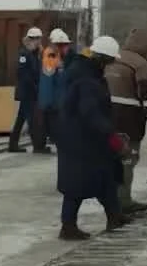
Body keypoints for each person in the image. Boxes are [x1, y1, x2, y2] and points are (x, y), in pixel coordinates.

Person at [56, 36, 131, 239]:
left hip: (85, 138)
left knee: (105, 178)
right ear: (101, 59)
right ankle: (68, 226)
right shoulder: (86, 79)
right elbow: (90, 112)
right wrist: (110, 134)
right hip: (80, 140)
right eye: (109, 61)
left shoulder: (88, 73)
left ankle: (114, 216)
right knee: (76, 185)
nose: (110, 66)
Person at [102, 29, 147, 216]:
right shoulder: (141, 64)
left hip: (108, 118)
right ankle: (123, 201)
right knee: (128, 159)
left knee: (113, 157)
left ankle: (110, 199)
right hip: (129, 120)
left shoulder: (114, 58)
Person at [10, 26, 47, 153]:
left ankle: (12, 144)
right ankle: (38, 146)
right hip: (27, 92)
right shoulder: (24, 54)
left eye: (39, 39)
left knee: (21, 118)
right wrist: (35, 88)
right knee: (32, 119)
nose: (39, 42)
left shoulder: (33, 54)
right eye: (37, 39)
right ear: (31, 39)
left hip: (31, 92)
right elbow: (24, 75)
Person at [39, 28, 73, 146]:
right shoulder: (51, 55)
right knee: (53, 120)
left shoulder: (57, 56)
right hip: (54, 101)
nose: (66, 48)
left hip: (57, 99)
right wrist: (48, 102)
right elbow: (48, 80)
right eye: (64, 45)